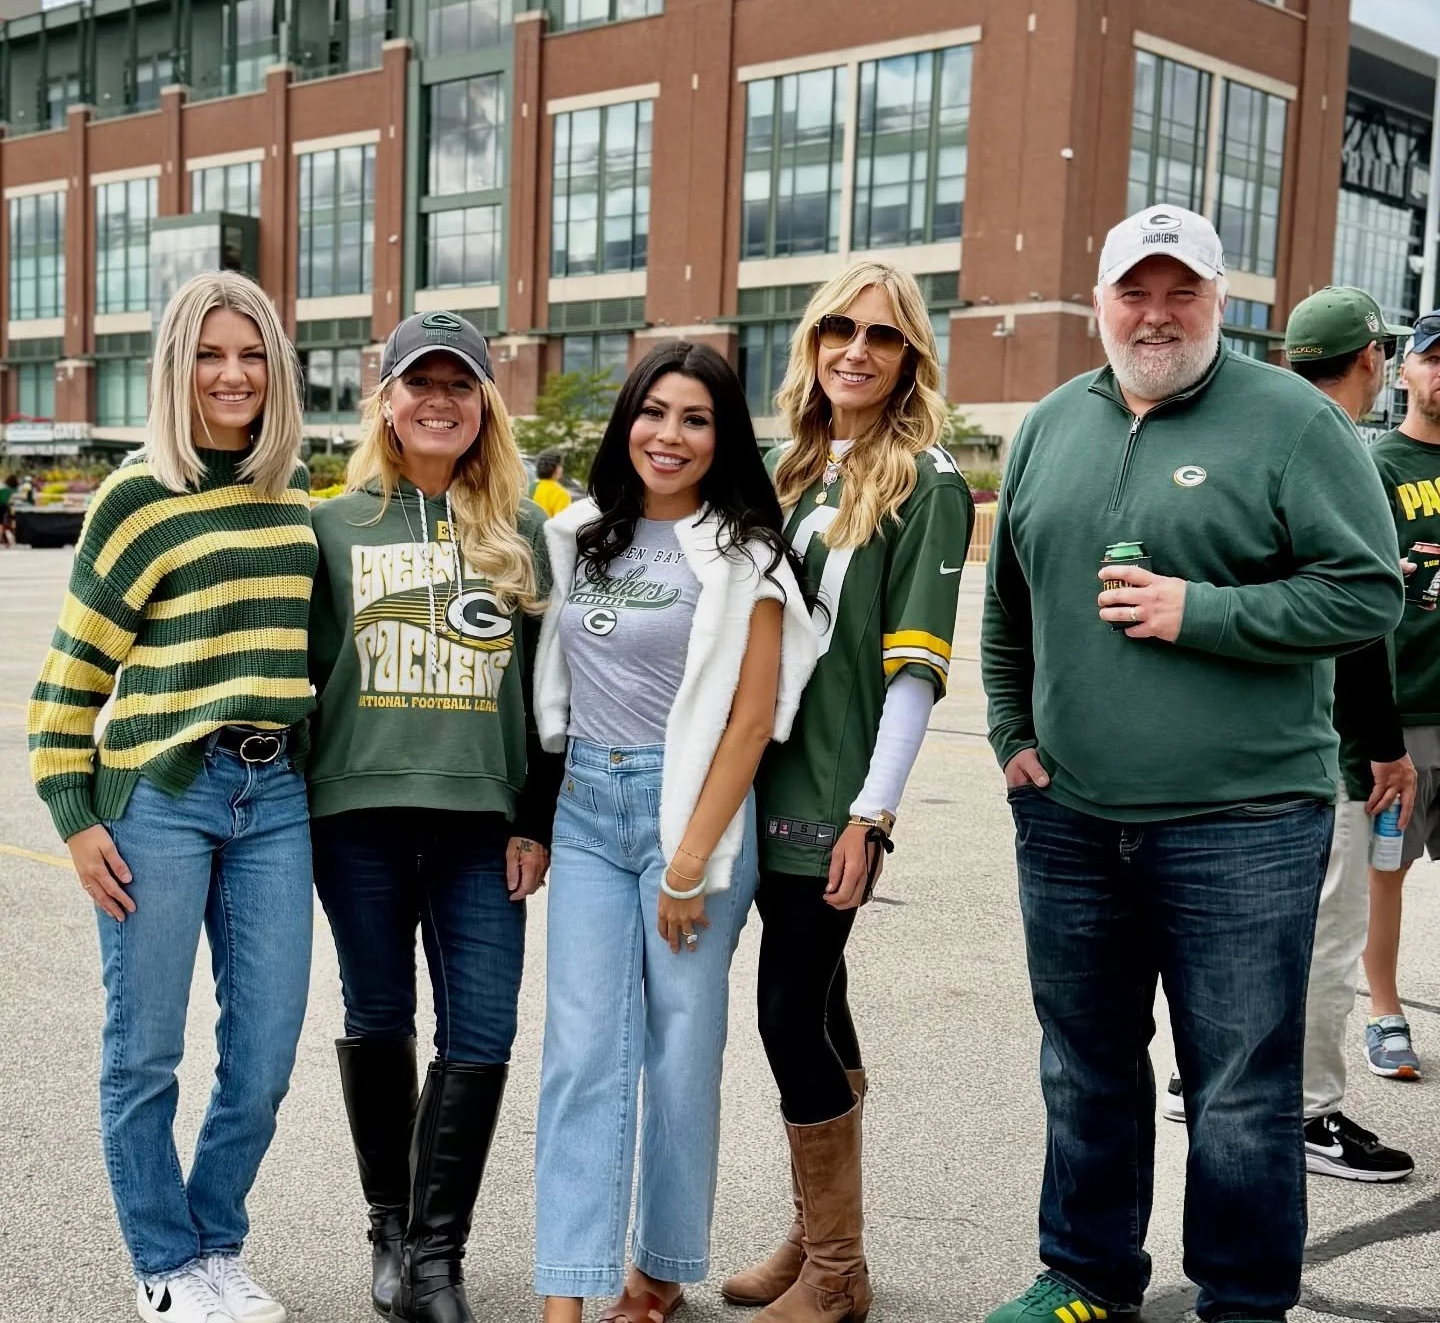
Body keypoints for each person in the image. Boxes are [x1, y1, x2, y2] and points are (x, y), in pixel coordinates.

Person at [982, 205, 1405, 1323]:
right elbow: (1006, 608)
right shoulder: (1047, 426)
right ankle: (1083, 1278)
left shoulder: (1293, 422)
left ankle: (1244, 1303)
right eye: (1136, 291)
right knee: (1085, 1073)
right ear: (1100, 303)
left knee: (1238, 1096)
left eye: (1183, 293)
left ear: (1224, 302)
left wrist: (1198, 611)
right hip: (1069, 820)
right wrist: (1009, 736)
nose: (1156, 315)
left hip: (1244, 823)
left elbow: (1369, 593)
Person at [28, 271, 317, 1323]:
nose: (233, 374)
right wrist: (74, 812)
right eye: (209, 354)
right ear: (175, 371)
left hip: (275, 798)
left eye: (251, 354)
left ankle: (214, 1244)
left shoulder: (293, 502)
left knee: (266, 1053)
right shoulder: (136, 501)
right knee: (144, 1049)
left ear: (277, 371)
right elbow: (69, 682)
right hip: (160, 798)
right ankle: (164, 1261)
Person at [532, 341, 817, 1323]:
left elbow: (751, 717)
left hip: (688, 817)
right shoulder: (582, 533)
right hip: (586, 809)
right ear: (628, 421)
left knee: (680, 1045)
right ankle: (567, 1290)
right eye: (655, 412)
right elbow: (550, 685)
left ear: (722, 436)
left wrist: (690, 861)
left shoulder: (747, 555)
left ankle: (656, 1270)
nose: (670, 435)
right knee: (578, 1052)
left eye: (696, 419)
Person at [724, 260, 973, 1323]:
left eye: (880, 336)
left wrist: (871, 816)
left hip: (832, 804)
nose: (855, 351)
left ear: (911, 355)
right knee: (819, 1010)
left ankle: (838, 1274)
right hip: (758, 784)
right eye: (837, 330)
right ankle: (816, 1235)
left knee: (787, 1014)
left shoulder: (930, 482)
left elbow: (912, 671)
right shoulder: (795, 469)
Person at [306, 309, 559, 1323]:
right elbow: (300, 674)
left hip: (480, 829)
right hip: (356, 819)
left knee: (484, 1034)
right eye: (422, 383)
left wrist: (535, 817)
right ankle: (391, 1230)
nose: (440, 401)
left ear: (485, 404)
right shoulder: (330, 524)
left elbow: (552, 696)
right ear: (388, 400)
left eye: (461, 385)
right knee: (378, 1022)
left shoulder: (525, 530)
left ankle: (440, 1256)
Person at [1277, 288, 1416, 1179]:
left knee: (1257, 935)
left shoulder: (1253, 433)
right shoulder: (1342, 451)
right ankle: (1312, 1115)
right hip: (1325, 748)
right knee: (1328, 937)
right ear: (1372, 359)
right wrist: (1386, 748)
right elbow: (1354, 623)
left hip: (1254, 743)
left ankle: (1204, 1079)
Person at [1364, 311, 1440, 1083]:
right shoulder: (1378, 468)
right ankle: (1385, 1013)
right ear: (1405, 371)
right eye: (1434, 359)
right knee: (1388, 868)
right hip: (1409, 711)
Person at [530, 447, 572, 518]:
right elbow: (561, 524)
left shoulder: (531, 486)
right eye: (560, 465)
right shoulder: (561, 494)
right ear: (556, 469)